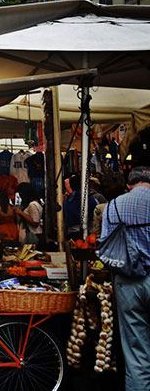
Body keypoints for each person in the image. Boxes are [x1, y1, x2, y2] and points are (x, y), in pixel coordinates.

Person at [99, 167, 150, 390]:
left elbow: (104, 245)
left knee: (137, 353)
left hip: (128, 283)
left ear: (129, 186)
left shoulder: (113, 206)